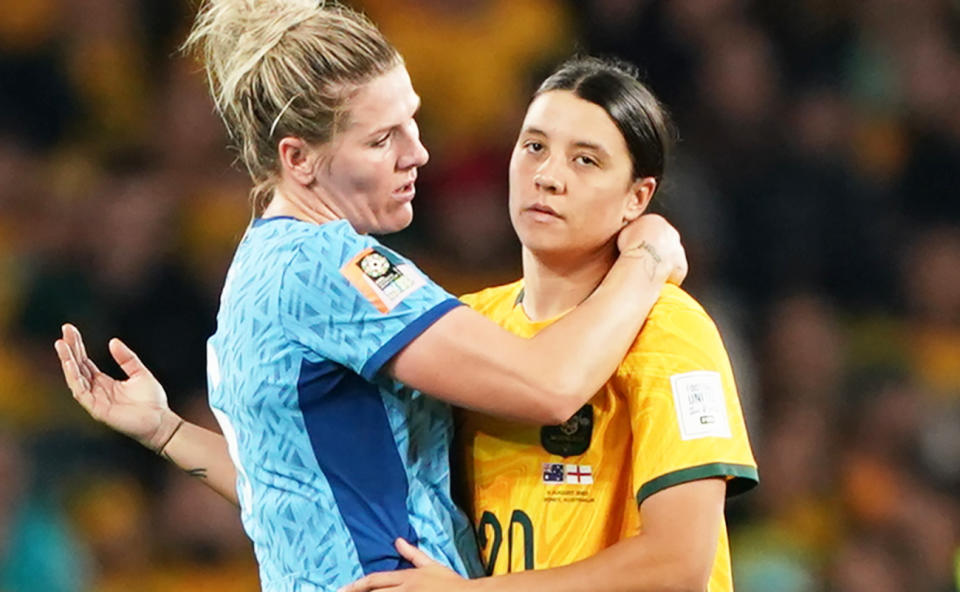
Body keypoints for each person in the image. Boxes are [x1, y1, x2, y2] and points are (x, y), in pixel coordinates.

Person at [55, 1, 686, 591]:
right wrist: (647, 256)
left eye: (412, 120)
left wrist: (167, 431)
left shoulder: (258, 262)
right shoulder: (333, 267)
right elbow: (549, 387)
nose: (418, 152)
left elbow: (296, 490)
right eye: (382, 139)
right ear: (299, 159)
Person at [340, 56, 758, 592]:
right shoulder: (469, 323)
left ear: (638, 198)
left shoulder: (674, 332)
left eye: (586, 160)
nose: (549, 176)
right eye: (534, 146)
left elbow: (678, 565)